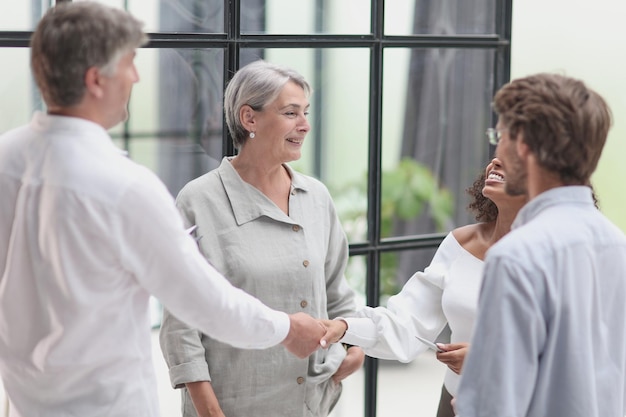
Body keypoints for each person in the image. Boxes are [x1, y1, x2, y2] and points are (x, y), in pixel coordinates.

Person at [0, 4, 326, 417]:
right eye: (130, 64)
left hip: (25, 403)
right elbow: (203, 301)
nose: (136, 77)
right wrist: (286, 328)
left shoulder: (6, 158)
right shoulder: (125, 188)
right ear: (95, 80)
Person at [159, 60, 365, 417]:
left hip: (310, 405)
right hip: (231, 405)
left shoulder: (315, 196)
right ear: (249, 119)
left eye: (305, 112)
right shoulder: (199, 201)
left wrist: (353, 341)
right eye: (290, 113)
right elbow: (181, 323)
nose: (305, 125)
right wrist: (208, 410)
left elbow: (336, 291)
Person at [452, 73, 626, 417]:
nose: (496, 148)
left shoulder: (515, 257)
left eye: (499, 136)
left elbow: (495, 404)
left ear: (523, 147)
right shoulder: (617, 246)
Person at [318, 157, 526, 417]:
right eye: (500, 147)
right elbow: (408, 323)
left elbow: (569, 355)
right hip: (454, 403)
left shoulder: (559, 257)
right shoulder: (462, 243)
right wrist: (345, 327)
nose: (497, 159)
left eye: (515, 153)